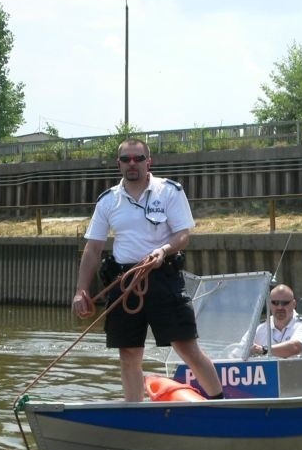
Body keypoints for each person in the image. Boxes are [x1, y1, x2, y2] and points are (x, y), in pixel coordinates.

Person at [71, 138, 223, 402]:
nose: (132, 164)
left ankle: (221, 405)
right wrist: (81, 290)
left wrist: (163, 251)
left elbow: (183, 235)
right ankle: (135, 414)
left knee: (186, 347)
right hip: (124, 283)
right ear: (118, 164)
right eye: (126, 159)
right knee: (128, 354)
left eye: (138, 158)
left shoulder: (169, 191)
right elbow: (93, 248)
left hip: (163, 277)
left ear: (148, 162)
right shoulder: (108, 200)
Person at [248, 284, 302, 369]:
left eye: (285, 303)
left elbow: (294, 348)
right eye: (275, 303)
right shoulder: (260, 327)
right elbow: (240, 349)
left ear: (294, 304)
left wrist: (263, 350)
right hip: (269, 377)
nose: (280, 307)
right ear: (269, 304)